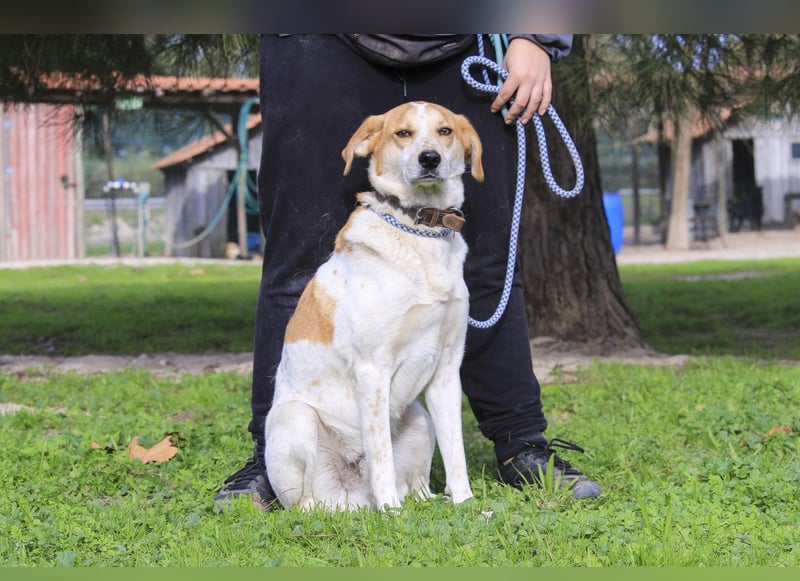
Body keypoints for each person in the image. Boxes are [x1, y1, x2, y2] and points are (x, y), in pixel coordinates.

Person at [215, 34, 601, 509]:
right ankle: (272, 456)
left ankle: (521, 444)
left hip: (467, 32)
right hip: (317, 31)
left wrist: (537, 35)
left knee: (488, 262)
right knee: (298, 255)